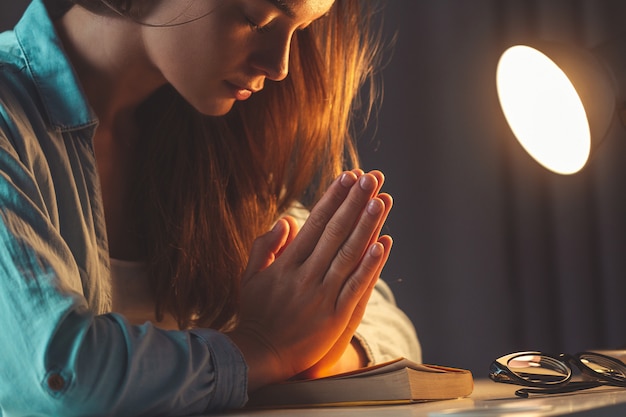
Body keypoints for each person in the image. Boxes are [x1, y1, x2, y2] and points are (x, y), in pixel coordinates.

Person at [0, 0, 421, 415]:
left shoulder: (208, 149)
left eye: (302, 30)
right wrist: (262, 349)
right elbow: (60, 373)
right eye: (258, 20)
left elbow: (391, 332)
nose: (281, 67)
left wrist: (300, 350)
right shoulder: (11, 122)